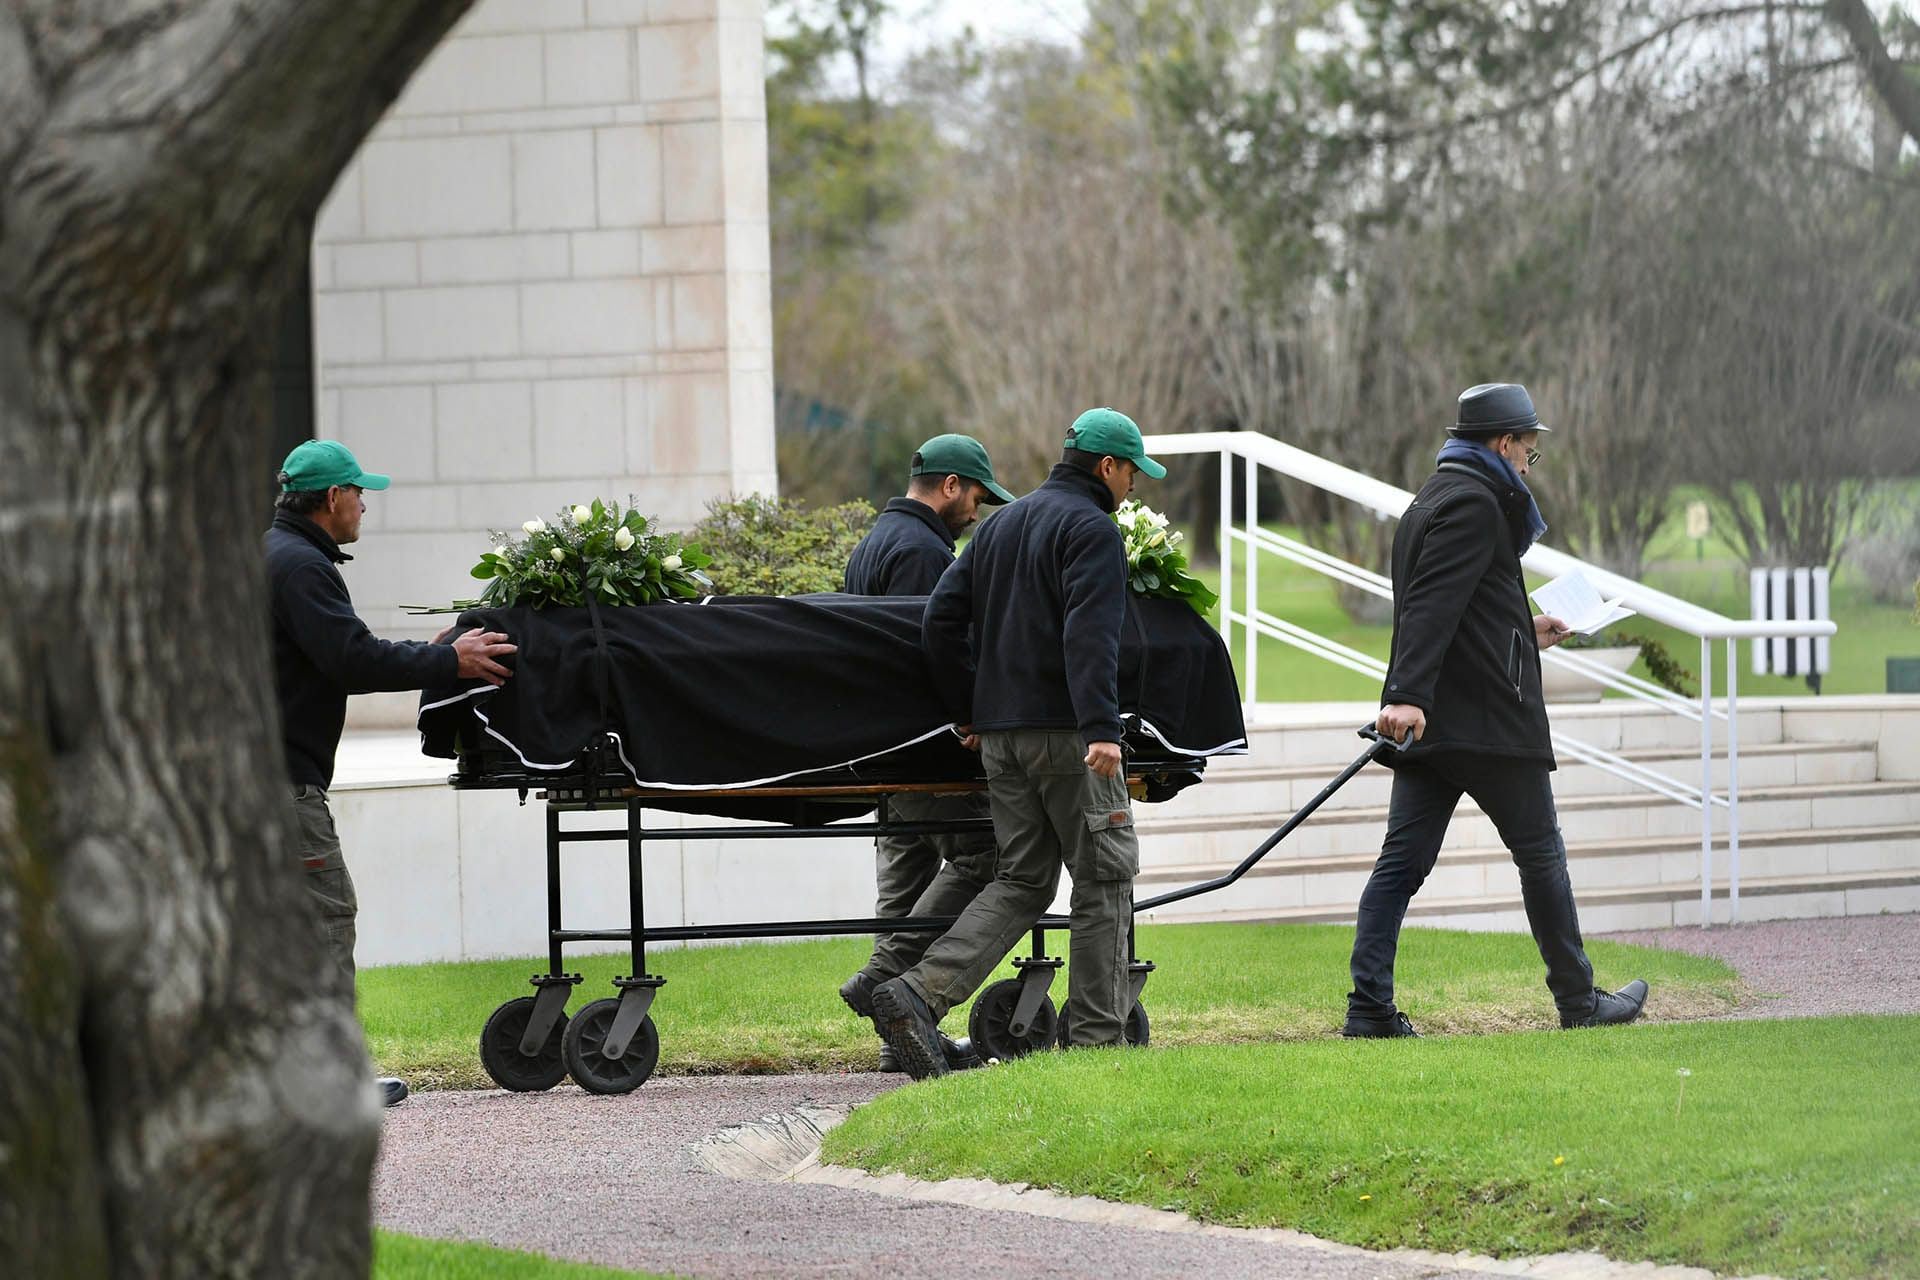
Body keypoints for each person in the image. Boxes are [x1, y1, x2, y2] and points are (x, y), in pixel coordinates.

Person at [871, 407, 1166, 1080]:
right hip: (1070, 738)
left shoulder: (1000, 525)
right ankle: (1095, 1045)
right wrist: (1102, 728)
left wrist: (967, 709)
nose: (1134, 490)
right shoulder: (1091, 529)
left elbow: (941, 619)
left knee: (1024, 879)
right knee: (1103, 876)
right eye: (1132, 475)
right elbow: (1090, 634)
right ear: (1108, 467)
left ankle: (917, 994)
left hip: (1000, 742)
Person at [1346, 383, 1648, 1038]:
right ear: (1503, 443)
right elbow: (1428, 606)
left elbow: (1458, 603)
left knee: (1400, 864)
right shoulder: (1478, 504)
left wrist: (1523, 626)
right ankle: (1579, 1001)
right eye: (1528, 453)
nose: (1526, 466)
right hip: (1485, 722)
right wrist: (1404, 695)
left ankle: (1368, 1008)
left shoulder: (1435, 496)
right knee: (1542, 855)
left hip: (1439, 722)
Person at [266, 440, 517, 1105]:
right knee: (326, 917)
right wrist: (449, 663)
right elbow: (351, 660)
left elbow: (340, 653)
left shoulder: (282, 556)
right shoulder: (301, 567)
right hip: (281, 782)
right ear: (332, 500)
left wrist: (424, 654)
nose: (364, 505)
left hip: (256, 775)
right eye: (359, 493)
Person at [838, 435, 1017, 1072]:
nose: (976, 510)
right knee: (985, 856)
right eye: (974, 495)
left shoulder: (876, 541)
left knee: (906, 879)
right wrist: (967, 716)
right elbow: (932, 648)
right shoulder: (922, 551)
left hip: (883, 746)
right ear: (948, 486)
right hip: (923, 747)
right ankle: (882, 982)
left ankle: (897, 1038)